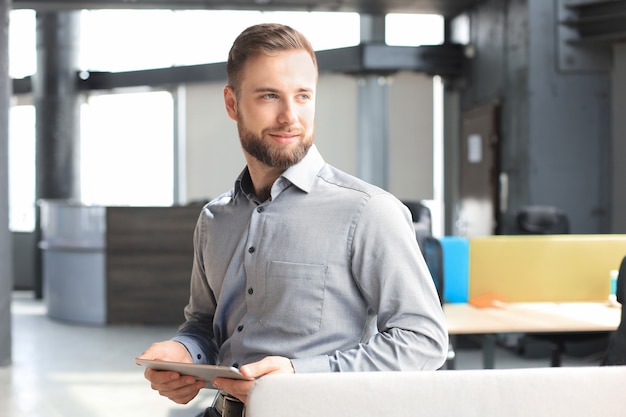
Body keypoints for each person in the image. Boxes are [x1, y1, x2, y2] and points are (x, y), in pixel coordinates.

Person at [138, 22, 448, 417]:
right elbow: (204, 324)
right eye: (270, 96)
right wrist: (182, 353)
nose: (290, 116)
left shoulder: (369, 212)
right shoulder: (215, 219)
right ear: (232, 104)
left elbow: (423, 341)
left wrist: (300, 377)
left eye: (303, 96)